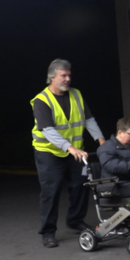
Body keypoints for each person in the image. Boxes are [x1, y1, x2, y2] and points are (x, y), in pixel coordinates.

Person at [31, 59, 107, 248]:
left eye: (69, 75)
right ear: (51, 78)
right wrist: (69, 147)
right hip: (49, 153)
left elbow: (88, 119)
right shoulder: (41, 100)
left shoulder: (76, 94)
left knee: (81, 184)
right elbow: (47, 130)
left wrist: (101, 140)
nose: (68, 79)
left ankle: (74, 220)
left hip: (75, 151)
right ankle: (48, 232)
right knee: (51, 191)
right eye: (63, 76)